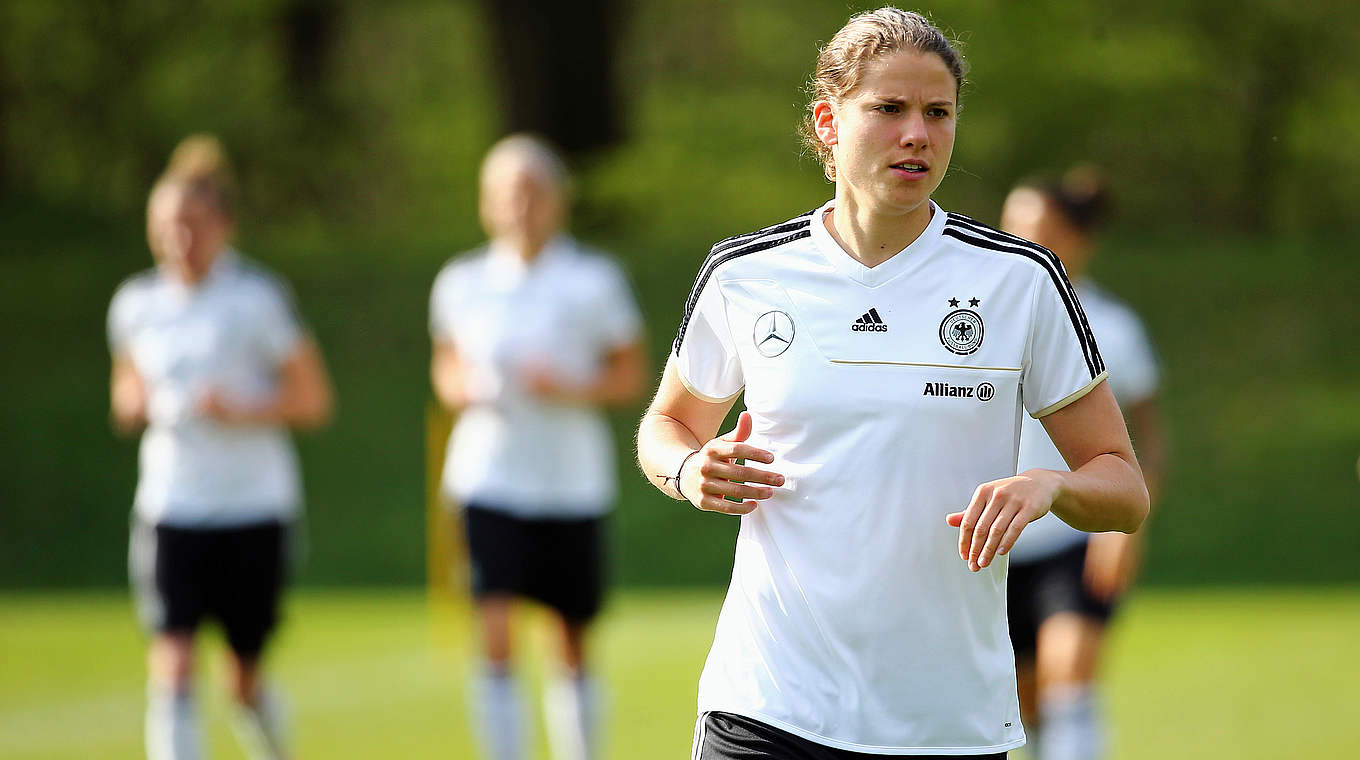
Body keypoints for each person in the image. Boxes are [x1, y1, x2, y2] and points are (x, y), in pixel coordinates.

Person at [635, 8, 1149, 759]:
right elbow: (665, 428)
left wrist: (1049, 485)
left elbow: (1125, 489)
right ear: (827, 122)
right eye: (889, 109)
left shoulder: (1019, 281)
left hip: (944, 724)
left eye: (938, 113)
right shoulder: (745, 274)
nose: (918, 132)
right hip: (767, 706)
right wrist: (687, 468)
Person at [109, 135, 334, 760]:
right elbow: (125, 393)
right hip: (171, 506)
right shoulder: (135, 304)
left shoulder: (257, 300)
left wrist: (241, 409)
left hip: (251, 507)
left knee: (242, 678)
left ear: (223, 226)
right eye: (166, 226)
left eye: (192, 224)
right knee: (173, 658)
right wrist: (142, 403)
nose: (180, 238)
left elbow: (313, 401)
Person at [429, 134, 646, 760]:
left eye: (533, 192)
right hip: (488, 478)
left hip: (570, 480)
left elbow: (630, 376)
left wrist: (568, 386)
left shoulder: (594, 279)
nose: (520, 206)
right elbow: (446, 368)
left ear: (558, 201)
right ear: (486, 204)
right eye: (506, 194)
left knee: (569, 636)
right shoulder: (463, 281)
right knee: (493, 627)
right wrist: (463, 388)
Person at [999, 168, 1167, 760]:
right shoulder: (979, 317)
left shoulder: (1112, 327)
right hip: (998, 534)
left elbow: (1148, 437)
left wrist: (1126, 532)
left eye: (1037, 228)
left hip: (1079, 530)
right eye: (1011, 225)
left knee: (1070, 675)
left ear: (1075, 239)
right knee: (1023, 698)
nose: (1020, 238)